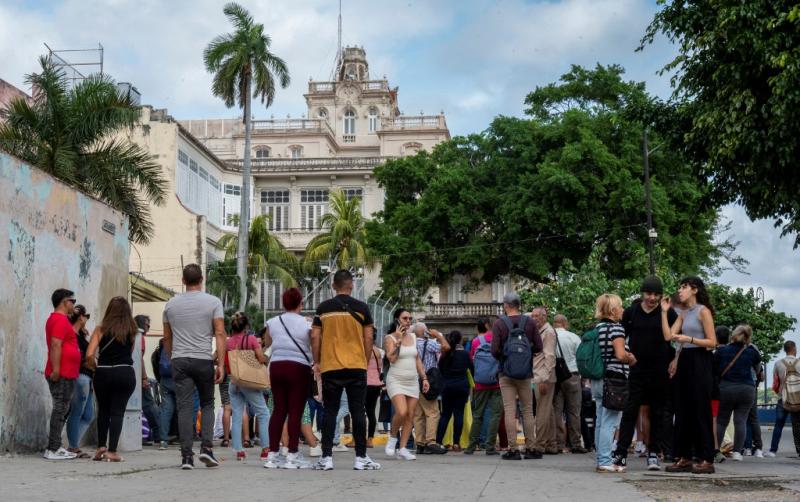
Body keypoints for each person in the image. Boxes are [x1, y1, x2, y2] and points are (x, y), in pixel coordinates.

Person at [310, 270, 381, 471]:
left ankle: (326, 458)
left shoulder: (323, 309)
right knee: (358, 410)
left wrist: (317, 361)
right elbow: (369, 338)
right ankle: (361, 458)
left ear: (334, 286)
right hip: (356, 366)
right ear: (351, 285)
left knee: (330, 411)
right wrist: (364, 360)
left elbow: (315, 337)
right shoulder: (362, 308)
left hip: (331, 366)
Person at [162, 263, 226, 470]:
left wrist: (173, 357)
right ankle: (206, 448)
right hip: (203, 359)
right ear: (202, 279)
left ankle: (186, 457)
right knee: (207, 404)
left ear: (183, 281)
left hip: (180, 360)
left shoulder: (170, 305)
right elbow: (220, 333)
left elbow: (167, 336)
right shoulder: (213, 302)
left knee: (184, 407)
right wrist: (222, 364)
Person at [612, 276, 678, 472]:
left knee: (658, 413)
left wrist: (676, 359)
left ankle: (653, 454)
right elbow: (621, 336)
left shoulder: (668, 313)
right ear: (642, 293)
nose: (652, 298)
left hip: (661, 370)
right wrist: (625, 355)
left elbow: (677, 338)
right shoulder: (631, 313)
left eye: (656, 294)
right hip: (637, 370)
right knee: (629, 412)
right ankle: (621, 453)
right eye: (649, 293)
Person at [663, 276, 718, 475]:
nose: (680, 290)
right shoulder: (684, 312)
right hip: (684, 358)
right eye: (680, 287)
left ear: (694, 289)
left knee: (700, 409)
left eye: (683, 287)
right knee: (682, 410)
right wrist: (664, 311)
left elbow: (713, 343)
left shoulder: (703, 311)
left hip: (701, 360)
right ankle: (683, 457)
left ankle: (706, 458)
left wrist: (690, 339)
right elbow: (669, 336)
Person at [263, 288, 313, 469]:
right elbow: (313, 341)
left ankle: (273, 454)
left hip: (276, 366)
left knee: (278, 410)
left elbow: (268, 343)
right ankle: (292, 454)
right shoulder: (307, 323)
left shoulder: (273, 321)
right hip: (298, 367)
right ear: (301, 303)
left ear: (283, 304)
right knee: (295, 411)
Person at [491, 291, 543, 460]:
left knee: (509, 410)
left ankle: (513, 449)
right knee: (527, 410)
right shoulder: (529, 322)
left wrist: (505, 358)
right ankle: (531, 448)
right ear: (519, 305)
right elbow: (539, 346)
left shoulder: (499, 324)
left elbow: (494, 350)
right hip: (525, 373)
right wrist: (525, 356)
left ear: (506, 305)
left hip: (506, 373)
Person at [85, 297, 138, 462]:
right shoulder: (132, 330)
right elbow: (130, 352)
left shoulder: (100, 329)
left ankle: (101, 447)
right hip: (124, 373)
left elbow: (88, 355)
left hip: (103, 373)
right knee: (118, 411)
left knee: (104, 410)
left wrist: (95, 366)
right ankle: (112, 451)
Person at [590, 294, 636, 473]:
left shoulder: (598, 328)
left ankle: (601, 458)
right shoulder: (617, 329)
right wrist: (631, 358)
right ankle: (605, 460)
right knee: (609, 422)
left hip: (598, 378)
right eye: (621, 306)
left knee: (601, 421)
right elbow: (620, 355)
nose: (623, 310)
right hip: (614, 380)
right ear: (613, 310)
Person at [220, 311, 269, 462]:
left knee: (237, 415)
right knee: (263, 413)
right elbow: (261, 359)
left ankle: (239, 451)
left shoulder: (228, 342)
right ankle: (266, 449)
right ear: (246, 326)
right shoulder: (252, 339)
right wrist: (265, 357)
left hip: (234, 382)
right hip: (249, 381)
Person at [383, 308, 430, 460]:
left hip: (412, 380)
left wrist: (424, 378)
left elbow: (417, 359)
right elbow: (391, 359)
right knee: (401, 412)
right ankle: (392, 438)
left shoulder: (414, 337)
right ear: (397, 320)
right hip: (396, 379)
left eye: (410, 318)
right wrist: (398, 340)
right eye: (405, 318)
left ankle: (403, 448)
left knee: (410, 415)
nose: (408, 321)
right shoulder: (390, 337)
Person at [714, 324, 761, 461]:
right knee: (740, 421)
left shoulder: (722, 351)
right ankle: (737, 453)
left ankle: (716, 450)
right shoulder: (752, 351)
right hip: (747, 389)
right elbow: (757, 371)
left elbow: (715, 371)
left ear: (733, 335)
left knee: (722, 421)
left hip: (726, 388)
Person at [44, 288, 80, 460]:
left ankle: (55, 446)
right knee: (60, 409)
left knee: (63, 408)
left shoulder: (62, 320)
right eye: (72, 301)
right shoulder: (59, 320)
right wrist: (57, 369)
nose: (74, 304)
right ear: (64, 302)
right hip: (62, 373)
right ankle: (53, 448)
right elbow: (55, 345)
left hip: (67, 372)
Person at [465, 317, 503, 455]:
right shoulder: (500, 339)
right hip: (496, 382)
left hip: (480, 383)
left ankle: (471, 446)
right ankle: (489, 446)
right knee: (495, 414)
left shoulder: (476, 341)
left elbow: (471, 361)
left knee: (477, 415)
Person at [413, 322, 450, 455]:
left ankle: (420, 443)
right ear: (425, 332)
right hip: (427, 381)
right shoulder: (428, 344)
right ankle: (431, 442)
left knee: (418, 414)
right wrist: (439, 335)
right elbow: (446, 347)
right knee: (432, 412)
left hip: (413, 381)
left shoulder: (411, 343)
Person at [551, 314, 586, 454]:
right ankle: (576, 444)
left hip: (556, 378)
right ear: (565, 323)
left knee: (556, 412)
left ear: (554, 324)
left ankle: (558, 444)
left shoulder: (550, 337)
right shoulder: (574, 337)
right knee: (574, 412)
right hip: (572, 375)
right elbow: (581, 357)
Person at [436, 331, 473, 451]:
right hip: (462, 387)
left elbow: (440, 369)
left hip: (447, 387)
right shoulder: (466, 354)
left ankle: (438, 441)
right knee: (459, 414)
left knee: (445, 415)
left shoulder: (445, 354)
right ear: (460, 340)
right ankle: (456, 443)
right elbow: (472, 370)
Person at [66, 304, 94, 458]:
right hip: (80, 376)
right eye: (86, 316)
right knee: (77, 412)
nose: (87, 319)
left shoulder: (81, 335)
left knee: (89, 415)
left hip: (88, 377)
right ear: (81, 317)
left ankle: (73, 445)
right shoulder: (71, 335)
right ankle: (73, 447)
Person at [531, 307, 558, 455]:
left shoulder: (548, 332)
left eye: (537, 316)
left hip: (543, 376)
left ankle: (539, 444)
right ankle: (551, 444)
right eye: (532, 316)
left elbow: (549, 356)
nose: (534, 318)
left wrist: (544, 378)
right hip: (541, 374)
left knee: (542, 411)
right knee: (548, 411)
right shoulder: (542, 331)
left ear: (544, 317)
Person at [768, 341, 800, 457]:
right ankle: (799, 451)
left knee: (778, 425)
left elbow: (775, 384)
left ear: (785, 350)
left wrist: (780, 392)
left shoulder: (778, 363)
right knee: (797, 425)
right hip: (797, 399)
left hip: (783, 399)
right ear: (794, 348)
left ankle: (773, 450)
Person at [135, 315, 160, 446]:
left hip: (131, 376)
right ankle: (158, 434)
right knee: (149, 405)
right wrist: (144, 378)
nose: (149, 328)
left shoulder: (131, 336)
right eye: (147, 325)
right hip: (138, 377)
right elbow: (139, 359)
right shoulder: (140, 338)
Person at [365, 341, 384, 448]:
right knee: (371, 412)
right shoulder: (377, 351)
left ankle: (357, 438)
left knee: (360, 411)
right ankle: (370, 440)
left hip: (365, 383)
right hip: (376, 384)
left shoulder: (365, 350)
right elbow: (379, 368)